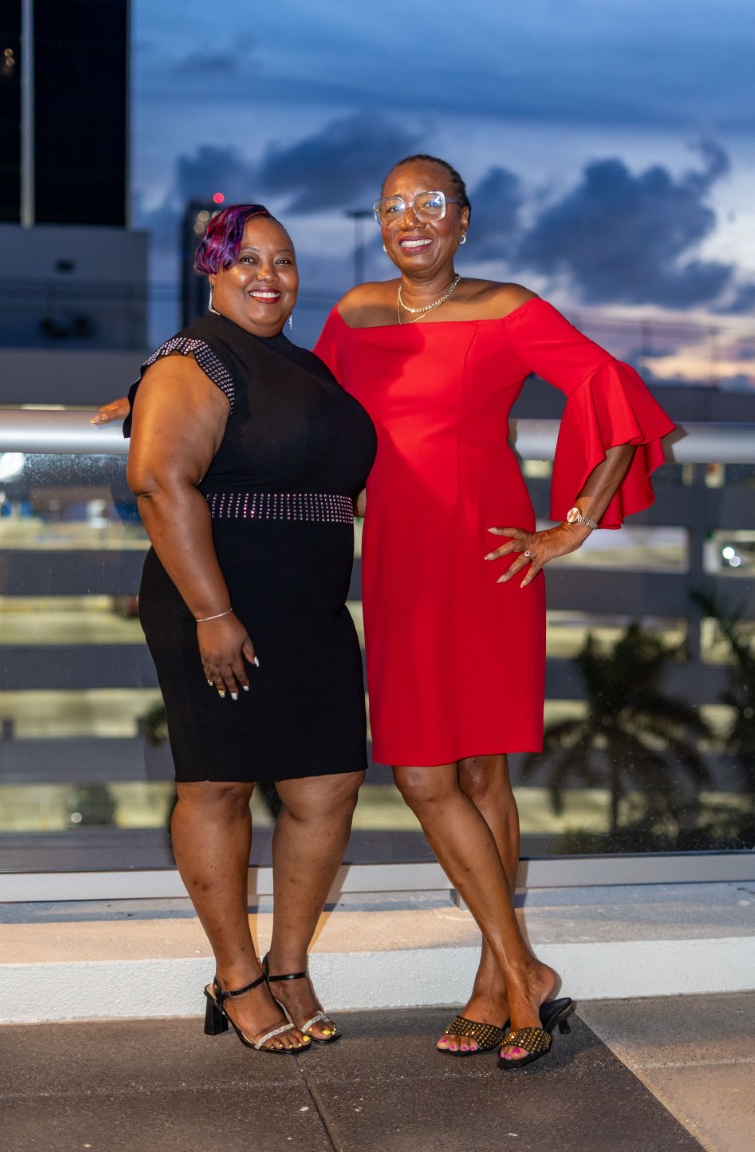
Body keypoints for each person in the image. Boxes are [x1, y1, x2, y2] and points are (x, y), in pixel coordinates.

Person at [312, 154, 675, 1069]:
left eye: (431, 203)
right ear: (379, 224)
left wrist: (573, 524)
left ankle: (494, 983)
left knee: (480, 773)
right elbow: (301, 404)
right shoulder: (353, 313)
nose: (411, 220)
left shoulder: (506, 308)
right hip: (398, 557)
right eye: (393, 206)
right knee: (422, 774)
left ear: (464, 220)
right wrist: (166, 381)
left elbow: (610, 386)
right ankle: (526, 971)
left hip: (488, 554)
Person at [120, 204, 376, 1053]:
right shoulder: (197, 357)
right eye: (247, 260)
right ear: (212, 270)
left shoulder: (303, 366)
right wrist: (213, 613)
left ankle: (289, 965)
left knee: (329, 782)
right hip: (217, 603)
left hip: (310, 606)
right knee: (218, 784)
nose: (269, 276)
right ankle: (236, 978)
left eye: (283, 261)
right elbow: (158, 479)